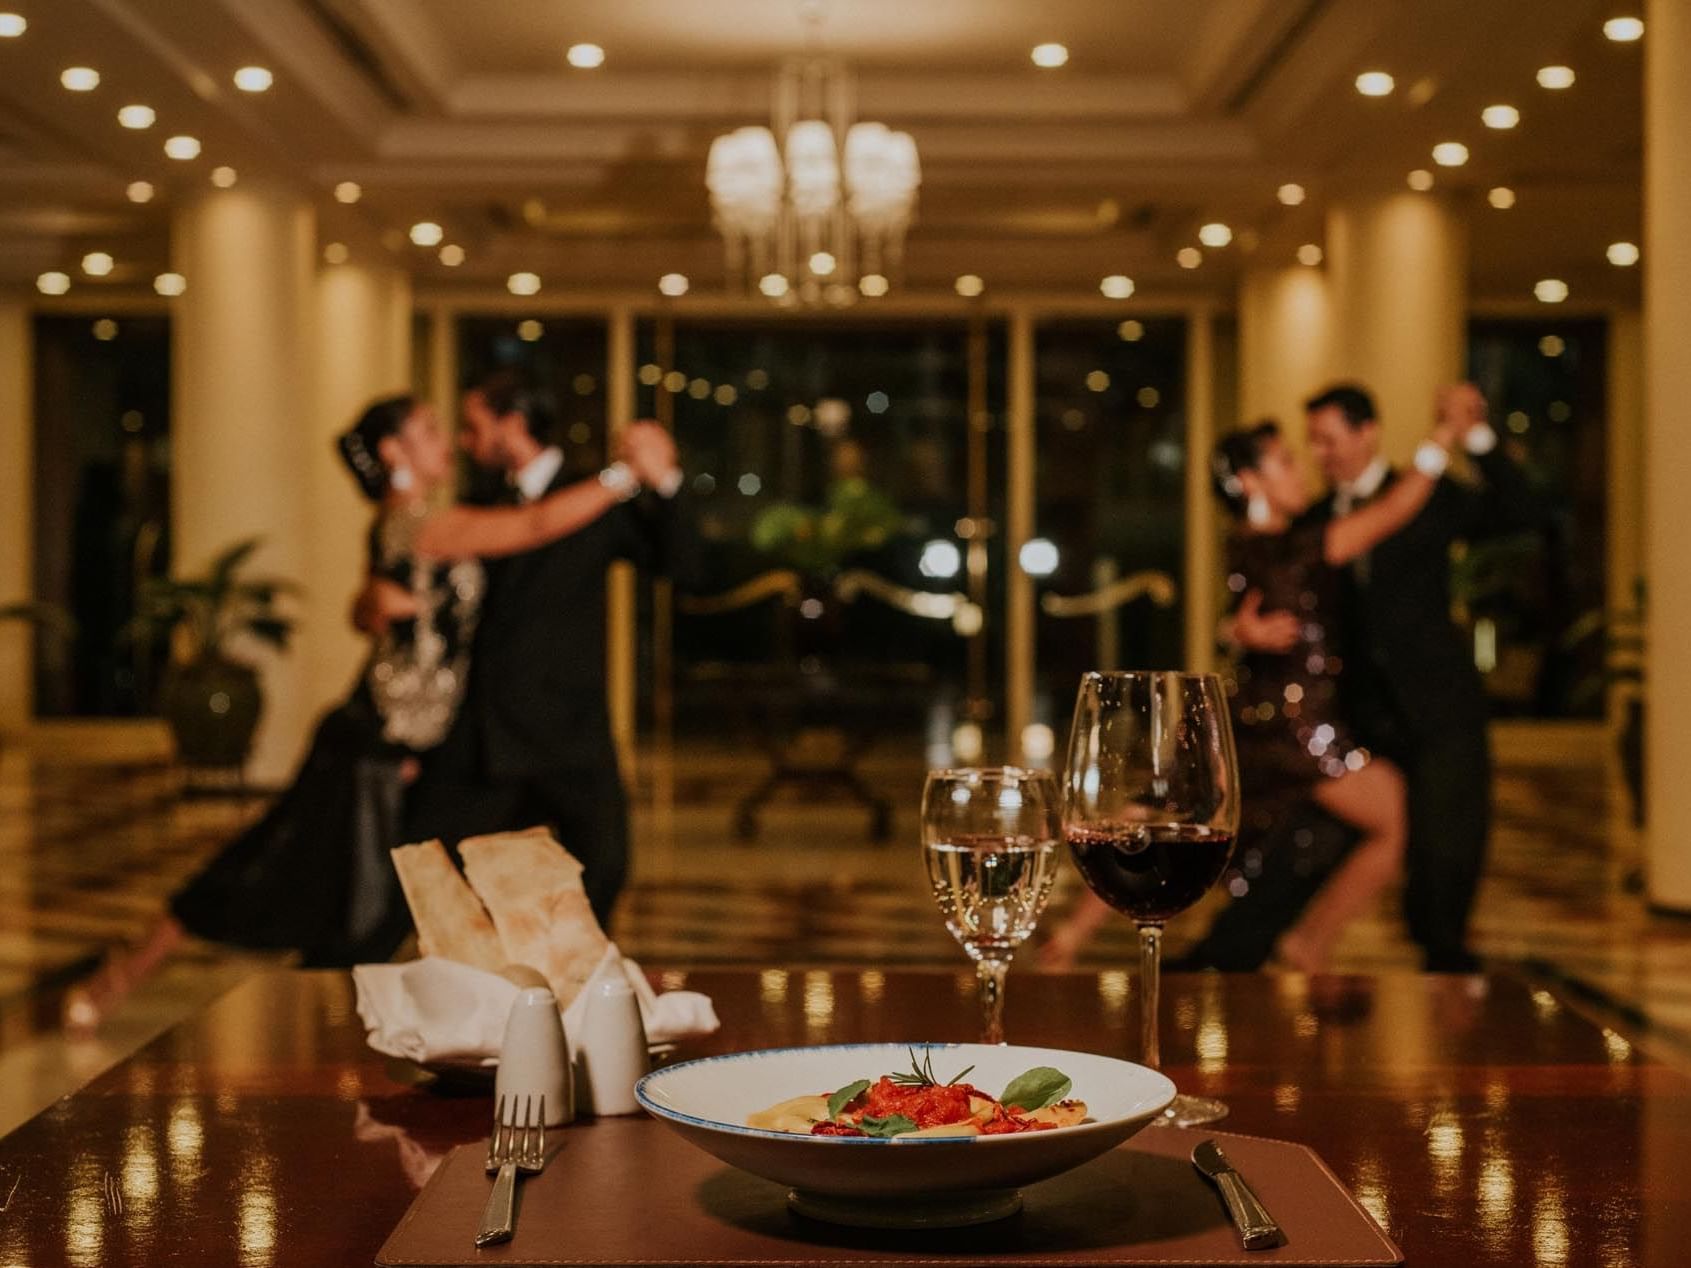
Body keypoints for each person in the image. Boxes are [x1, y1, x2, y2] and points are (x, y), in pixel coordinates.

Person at [63, 394, 646, 1034]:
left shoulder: (417, 518)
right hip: (369, 740)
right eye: (427, 431)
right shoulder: (420, 523)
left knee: (338, 889)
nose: (445, 441)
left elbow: (388, 610)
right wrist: (623, 476)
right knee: (278, 871)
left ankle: (332, 1011)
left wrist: (367, 607)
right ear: (394, 451)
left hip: (402, 744)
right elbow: (533, 528)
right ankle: (129, 976)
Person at [1043, 388, 1482, 972]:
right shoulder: (1295, 547)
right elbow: (1393, 512)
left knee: (1164, 808)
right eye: (1284, 462)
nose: (1301, 467)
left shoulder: (1255, 544)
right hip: (1300, 727)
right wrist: (1441, 440)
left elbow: (1256, 610)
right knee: (1397, 818)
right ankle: (1309, 945)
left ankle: (1069, 939)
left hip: (1260, 715)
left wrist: (1234, 630)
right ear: (1251, 482)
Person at [394, 371, 691, 928]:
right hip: (488, 733)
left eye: (473, 425)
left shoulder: (593, 497)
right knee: (422, 871)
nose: (464, 440)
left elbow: (681, 566)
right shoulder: (478, 504)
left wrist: (667, 479)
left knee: (604, 866)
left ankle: (563, 987)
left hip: (570, 730)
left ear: (513, 424)